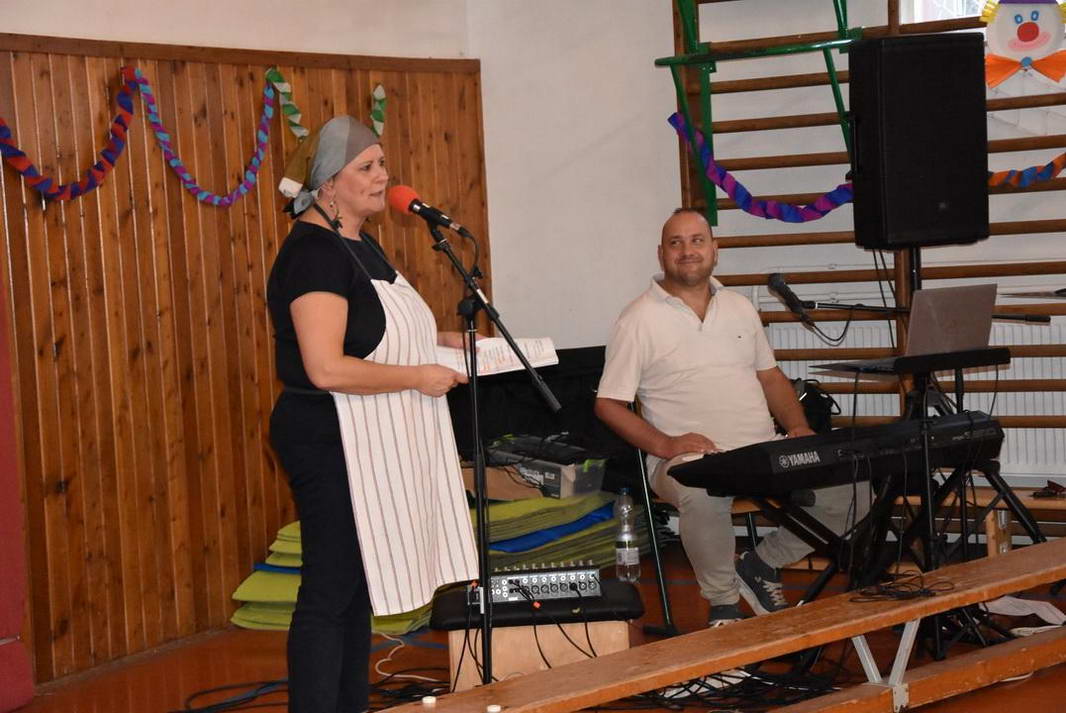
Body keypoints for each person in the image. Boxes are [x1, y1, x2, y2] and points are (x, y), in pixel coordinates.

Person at [267, 116, 478, 713]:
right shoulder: (314, 254)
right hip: (327, 435)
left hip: (371, 433)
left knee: (357, 590)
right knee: (331, 590)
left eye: (382, 163)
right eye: (367, 167)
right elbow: (326, 367)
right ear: (327, 184)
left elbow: (372, 333)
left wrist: (444, 342)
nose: (383, 176)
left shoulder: (359, 243)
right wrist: (418, 376)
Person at [594, 208, 865, 626]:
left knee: (853, 484)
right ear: (662, 254)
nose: (687, 251)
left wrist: (798, 427)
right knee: (702, 493)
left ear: (714, 250)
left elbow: (771, 378)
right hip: (685, 461)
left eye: (697, 241)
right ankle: (723, 603)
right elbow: (608, 404)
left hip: (759, 451)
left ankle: (760, 565)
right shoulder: (637, 320)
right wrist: (665, 445)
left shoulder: (740, 307)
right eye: (676, 243)